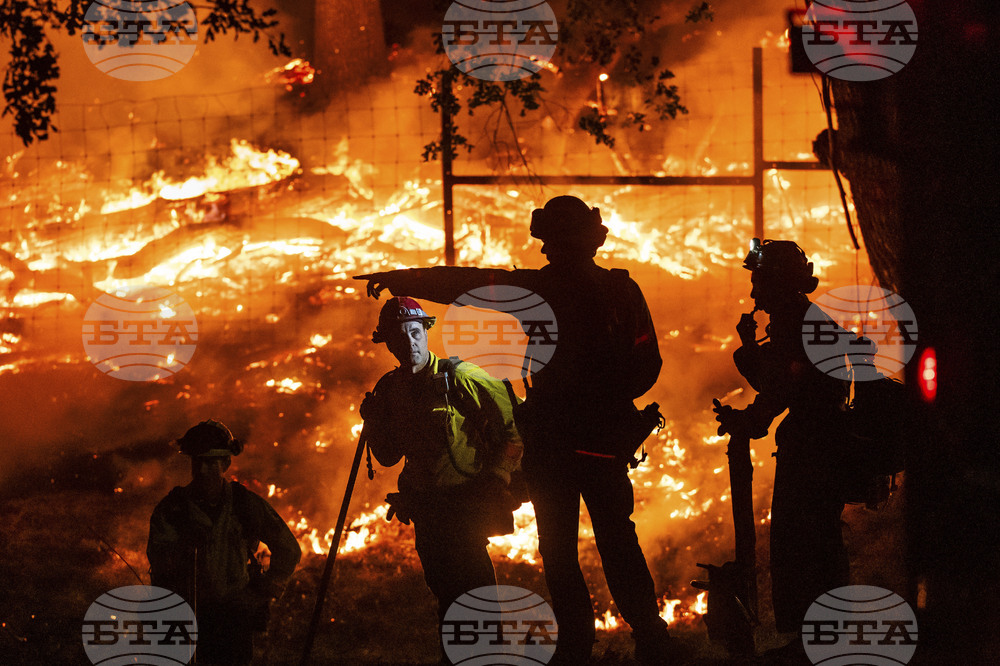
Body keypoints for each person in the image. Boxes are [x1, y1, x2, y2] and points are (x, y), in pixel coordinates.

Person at [357, 196, 676, 665]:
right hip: (602, 440)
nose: (548, 251)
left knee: (559, 549)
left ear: (550, 242)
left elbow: (470, 284)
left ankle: (575, 648)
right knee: (616, 539)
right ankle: (650, 635)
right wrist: (608, 403)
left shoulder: (540, 291)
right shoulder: (622, 291)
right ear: (594, 239)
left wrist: (407, 281)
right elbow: (648, 365)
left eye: (549, 242)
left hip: (555, 444)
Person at [361, 296, 524, 655]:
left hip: (466, 504)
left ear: (427, 332)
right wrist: (373, 422)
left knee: (476, 596)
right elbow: (388, 457)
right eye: (399, 337)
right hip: (426, 509)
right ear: (387, 342)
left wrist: (496, 482)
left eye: (416, 332)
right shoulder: (390, 389)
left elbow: (513, 435)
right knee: (446, 595)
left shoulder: (464, 378)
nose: (409, 343)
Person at [713, 239, 850, 661]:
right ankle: (820, 639)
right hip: (817, 442)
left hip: (814, 447)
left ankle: (817, 642)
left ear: (777, 283)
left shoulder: (799, 322)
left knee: (802, 543)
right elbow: (776, 380)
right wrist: (750, 349)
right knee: (815, 540)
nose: (754, 294)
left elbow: (780, 388)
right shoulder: (804, 318)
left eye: (759, 283)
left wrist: (752, 421)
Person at [147, 419, 301, 665]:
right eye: (198, 462)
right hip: (186, 621)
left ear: (226, 464)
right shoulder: (172, 510)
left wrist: (260, 593)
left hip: (234, 619)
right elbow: (161, 569)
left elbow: (289, 549)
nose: (203, 470)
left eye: (211, 462)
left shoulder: (244, 504)